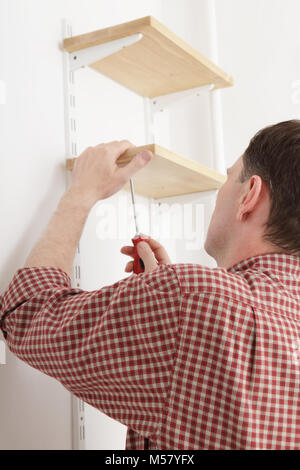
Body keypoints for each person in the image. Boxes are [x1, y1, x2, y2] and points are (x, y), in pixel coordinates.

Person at [0, 120, 299, 450]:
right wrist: (169, 305)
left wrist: (81, 192)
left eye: (229, 178)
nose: (220, 194)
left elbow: (26, 311)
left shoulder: (194, 298)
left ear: (250, 195)